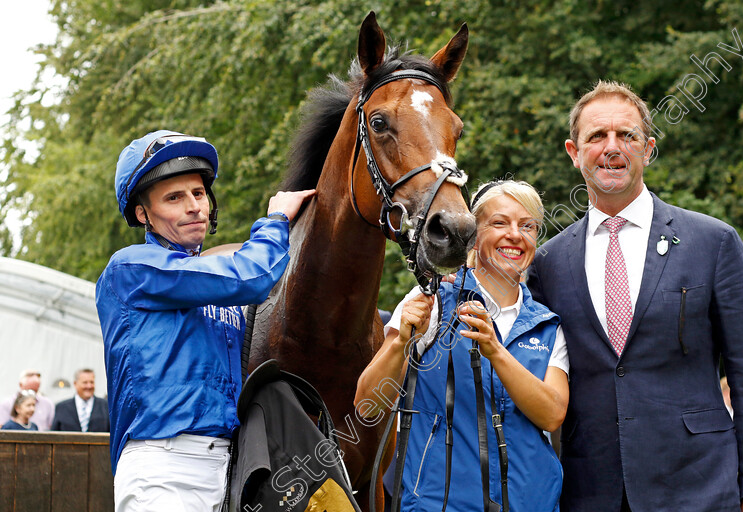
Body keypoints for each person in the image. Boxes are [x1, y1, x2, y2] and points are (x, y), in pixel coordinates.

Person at [527, 81, 743, 512]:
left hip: (701, 488)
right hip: (589, 493)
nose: (612, 147)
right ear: (573, 152)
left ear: (648, 149)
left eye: (627, 135)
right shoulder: (547, 262)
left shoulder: (713, 242)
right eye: (596, 136)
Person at [96, 130, 315, 512]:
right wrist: (276, 219)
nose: (194, 206)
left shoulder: (209, 283)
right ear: (142, 214)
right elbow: (252, 276)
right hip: (162, 468)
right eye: (174, 198)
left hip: (228, 466)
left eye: (198, 194)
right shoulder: (131, 268)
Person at [356, 180, 569, 512]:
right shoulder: (431, 302)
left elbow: (552, 414)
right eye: (500, 222)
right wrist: (401, 342)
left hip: (533, 503)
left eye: (527, 226)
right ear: (475, 235)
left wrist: (496, 351)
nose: (515, 234)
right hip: (438, 504)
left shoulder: (546, 325)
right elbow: (368, 406)